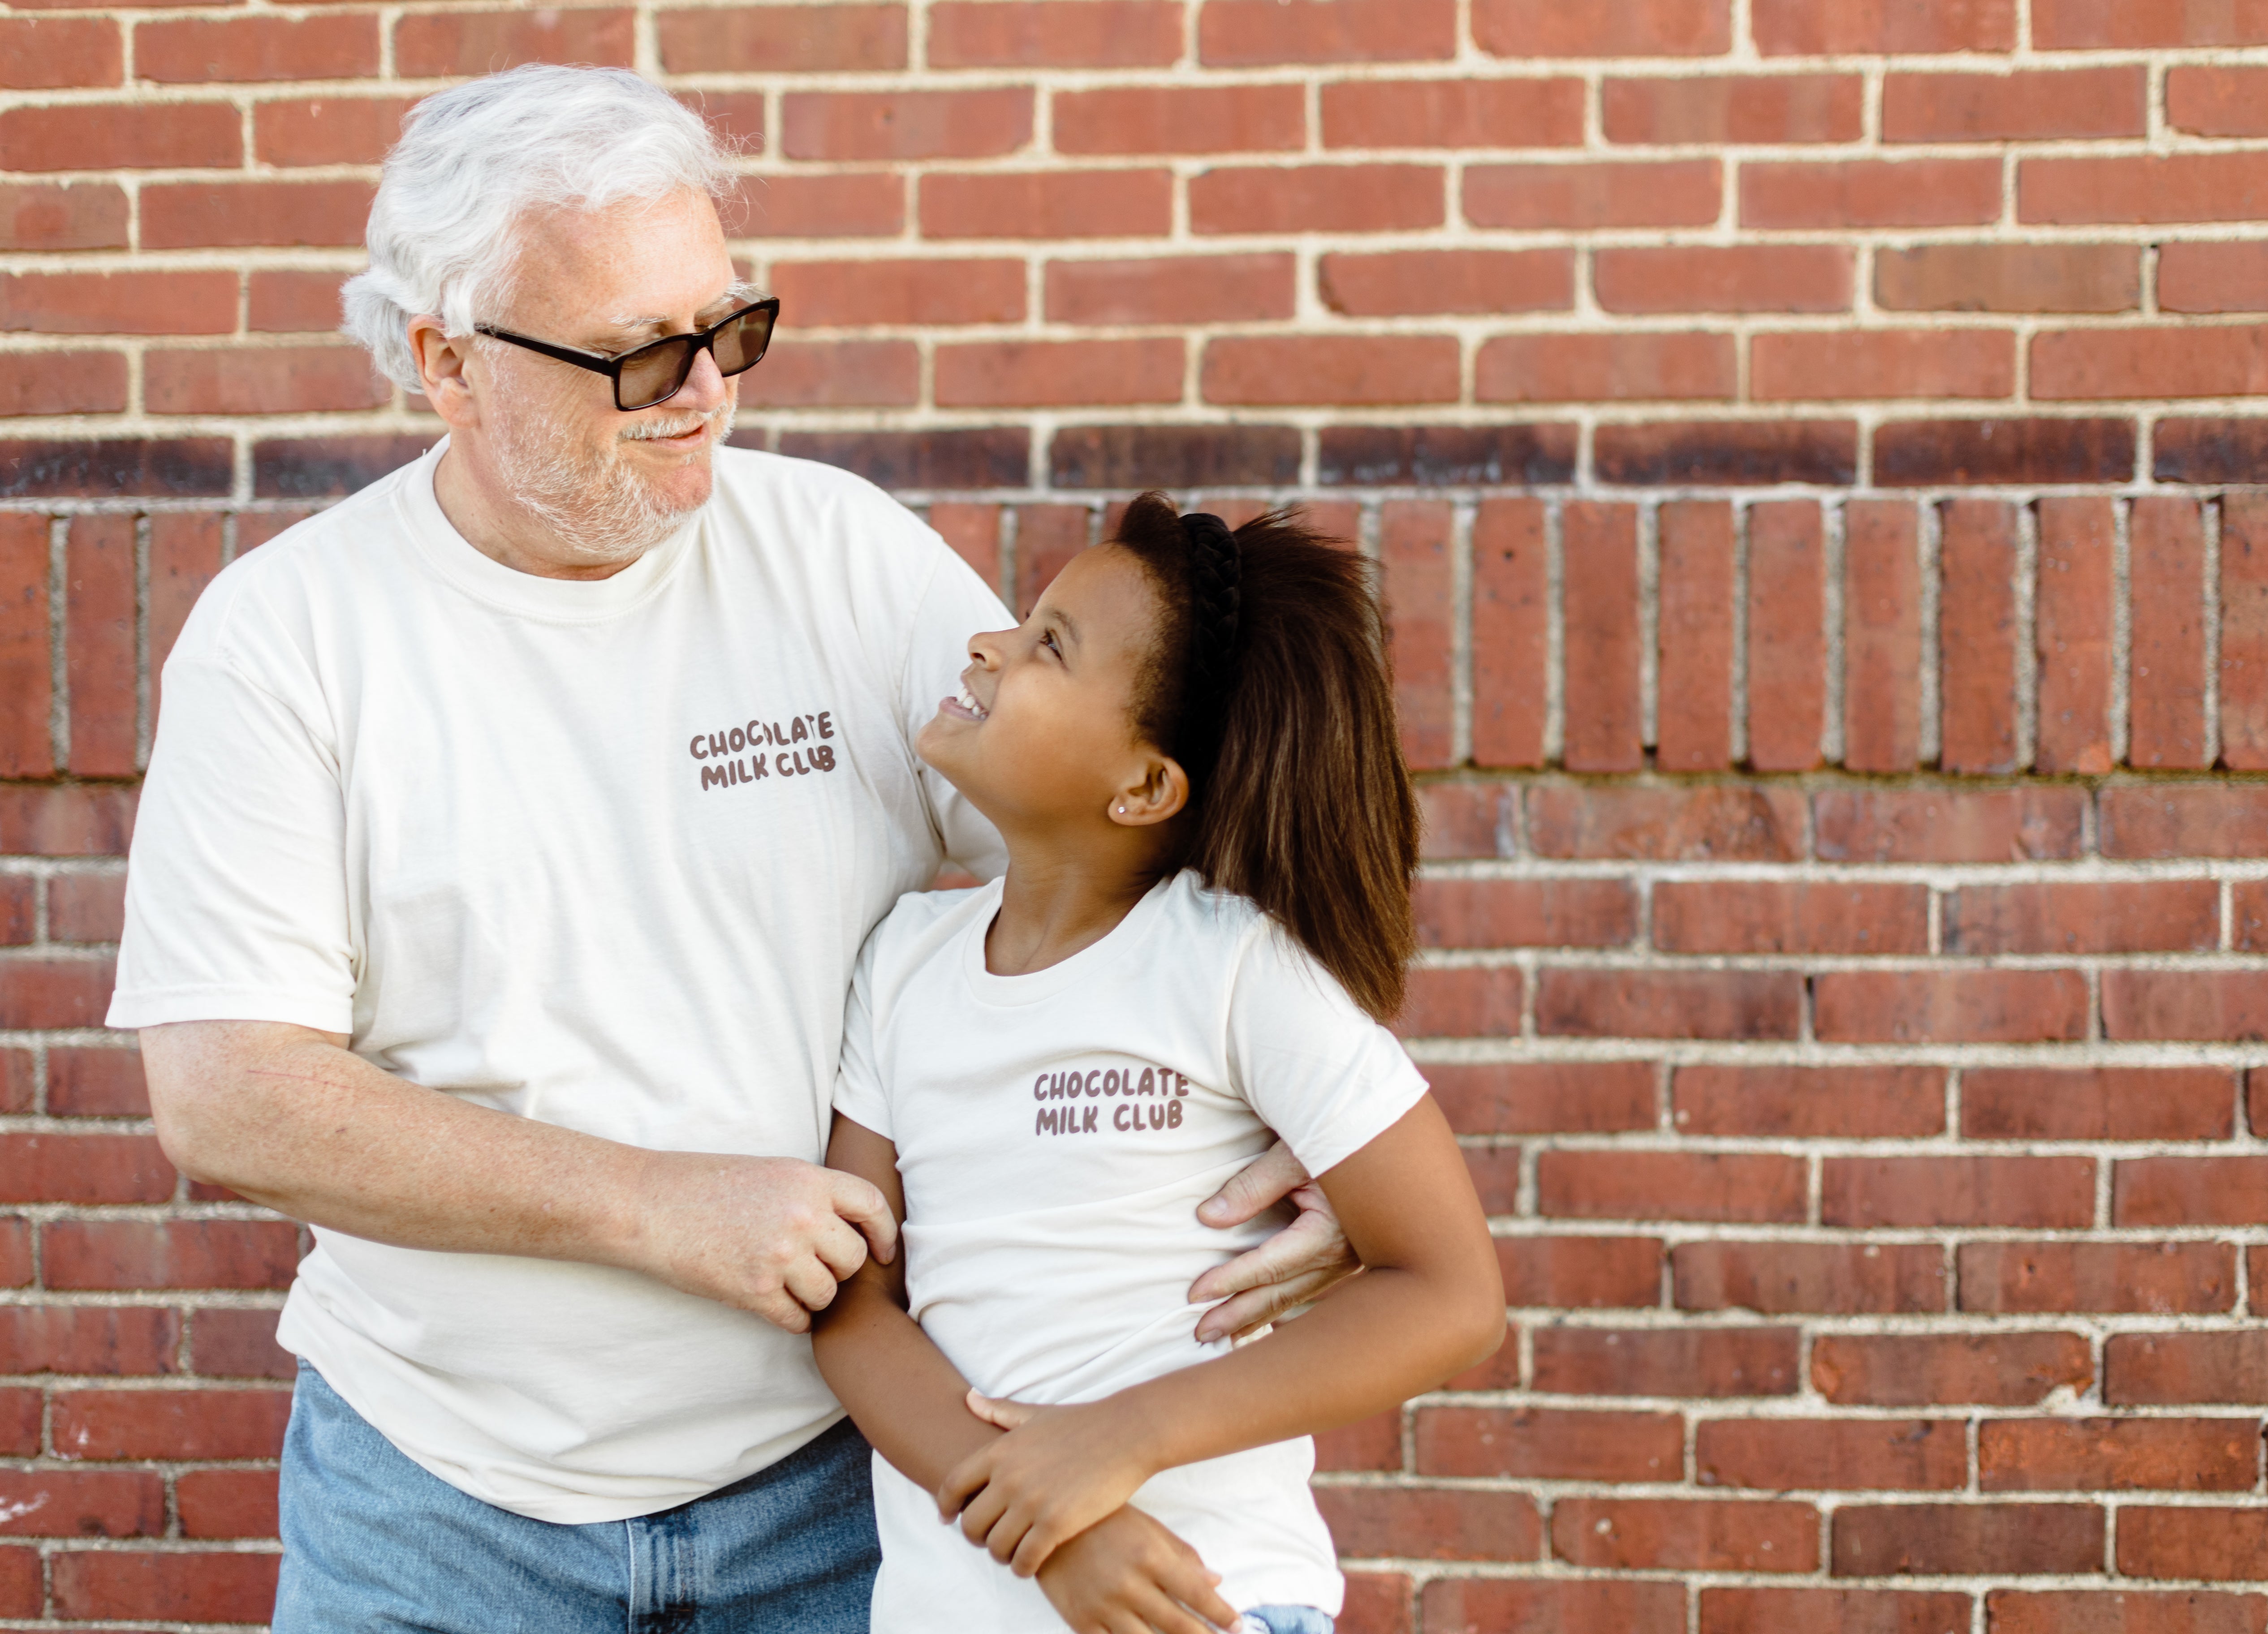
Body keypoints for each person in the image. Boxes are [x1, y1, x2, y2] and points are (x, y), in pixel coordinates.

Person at [106, 66, 1355, 1629]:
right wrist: (661, 1202)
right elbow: (228, 1093)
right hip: (435, 1506)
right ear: (447, 361)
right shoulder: (288, 638)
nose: (708, 388)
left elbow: (1152, 828)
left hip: (847, 1488)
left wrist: (1316, 1101)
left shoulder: (837, 552)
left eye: (731, 327)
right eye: (639, 354)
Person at [812, 494, 1507, 1634]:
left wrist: (1125, 1438)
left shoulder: (1233, 968)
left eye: (1048, 645)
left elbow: (1451, 1291)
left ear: (1142, 787)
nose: (986, 645)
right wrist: (1056, 1529)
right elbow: (851, 1307)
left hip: (1212, 1602)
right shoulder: (901, 966)